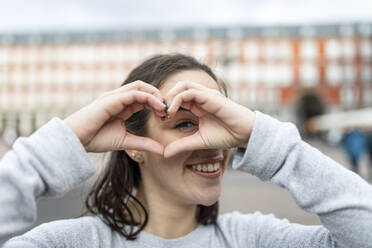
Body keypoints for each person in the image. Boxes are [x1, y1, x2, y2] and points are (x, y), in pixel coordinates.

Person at [1, 54, 372, 248]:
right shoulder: (71, 243)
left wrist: (266, 140)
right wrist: (62, 143)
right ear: (133, 148)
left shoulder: (256, 239)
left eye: (220, 122)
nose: (211, 143)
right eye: (183, 123)